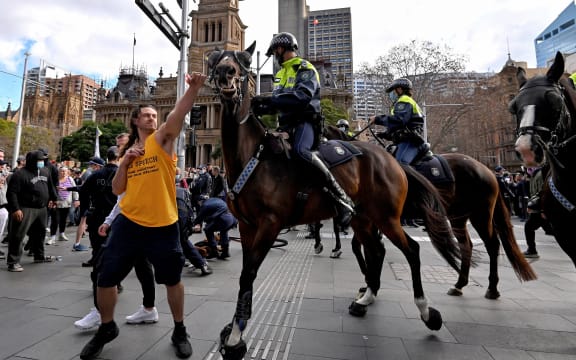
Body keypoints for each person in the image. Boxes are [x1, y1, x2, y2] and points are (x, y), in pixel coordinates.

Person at [79, 72, 206, 360]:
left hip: (163, 223)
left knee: (172, 280)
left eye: (154, 115)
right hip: (129, 222)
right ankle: (107, 327)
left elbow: (176, 114)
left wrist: (194, 89)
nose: (152, 118)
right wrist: (124, 164)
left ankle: (179, 328)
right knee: (104, 278)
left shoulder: (162, 140)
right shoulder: (129, 152)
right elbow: (117, 189)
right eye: (146, 115)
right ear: (135, 120)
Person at [251, 31, 354, 227]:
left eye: (274, 52)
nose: (274, 56)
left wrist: (269, 99)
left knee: (300, 151)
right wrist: (258, 107)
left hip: (305, 123)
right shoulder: (281, 74)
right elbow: (277, 104)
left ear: (281, 49)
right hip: (286, 126)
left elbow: (301, 97)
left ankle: (342, 199)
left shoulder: (305, 69)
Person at [75, 146, 158, 330]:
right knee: (140, 267)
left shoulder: (141, 172)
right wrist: (108, 220)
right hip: (124, 224)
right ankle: (147, 308)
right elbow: (121, 200)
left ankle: (101, 313)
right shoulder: (125, 172)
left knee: (103, 268)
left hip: (130, 226)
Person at [5, 150, 58, 272]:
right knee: (18, 235)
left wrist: (54, 198)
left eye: (43, 160)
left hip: (42, 208)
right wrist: (16, 209)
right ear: (32, 161)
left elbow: (50, 186)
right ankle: (13, 262)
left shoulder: (45, 171)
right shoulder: (20, 174)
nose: (41, 162)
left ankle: (39, 256)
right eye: (39, 160)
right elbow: (12, 193)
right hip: (25, 208)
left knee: (40, 234)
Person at [369, 78, 426, 165]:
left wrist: (377, 119)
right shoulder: (402, 102)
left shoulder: (404, 100)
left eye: (392, 90)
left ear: (399, 89)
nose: (391, 94)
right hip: (405, 140)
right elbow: (399, 127)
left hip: (410, 141)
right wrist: (384, 134)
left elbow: (398, 120)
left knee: (400, 165)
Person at [523, 166, 554, 258]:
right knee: (551, 230)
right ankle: (532, 250)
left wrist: (541, 209)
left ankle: (532, 250)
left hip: (540, 209)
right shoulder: (534, 174)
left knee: (528, 227)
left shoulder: (539, 174)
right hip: (539, 208)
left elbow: (542, 191)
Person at [45, 166, 78, 245]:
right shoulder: (55, 180)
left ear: (67, 172)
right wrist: (51, 200)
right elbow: (50, 190)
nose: (63, 173)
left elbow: (75, 190)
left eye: (65, 171)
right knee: (55, 220)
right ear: (59, 172)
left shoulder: (70, 179)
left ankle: (61, 234)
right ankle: (52, 237)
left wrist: (76, 199)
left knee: (63, 220)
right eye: (62, 171)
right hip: (56, 203)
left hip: (67, 203)